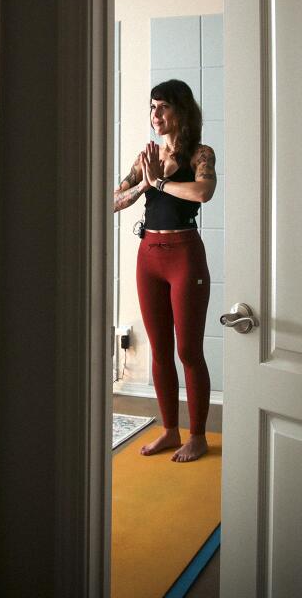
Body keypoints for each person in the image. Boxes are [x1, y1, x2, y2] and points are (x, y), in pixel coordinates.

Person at [112, 79, 217, 462]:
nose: (155, 115)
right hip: (149, 256)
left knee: (189, 350)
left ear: (181, 111)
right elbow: (110, 201)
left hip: (184, 256)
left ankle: (198, 435)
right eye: (151, 108)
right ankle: (170, 431)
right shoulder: (146, 158)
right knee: (160, 350)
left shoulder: (199, 154)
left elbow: (202, 192)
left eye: (162, 107)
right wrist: (143, 185)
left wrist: (159, 181)